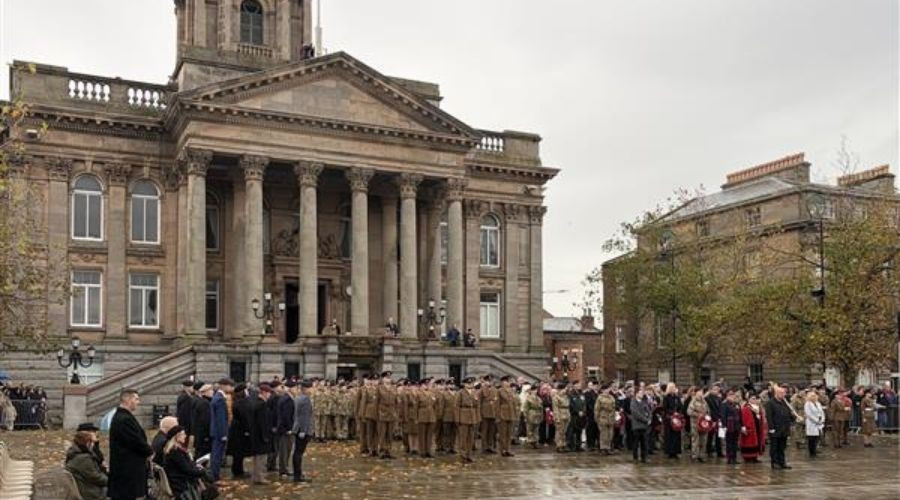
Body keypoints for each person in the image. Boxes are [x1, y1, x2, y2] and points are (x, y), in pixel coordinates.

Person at [108, 389, 153, 500]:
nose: (139, 402)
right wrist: (150, 451)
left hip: (128, 469)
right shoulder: (124, 419)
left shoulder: (124, 417)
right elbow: (135, 441)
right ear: (127, 399)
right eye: (136, 399)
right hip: (127, 471)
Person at [162, 425, 214, 500]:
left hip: (179, 480)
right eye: (183, 434)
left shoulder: (174, 450)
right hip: (181, 484)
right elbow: (187, 470)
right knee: (208, 482)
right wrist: (202, 471)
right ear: (177, 436)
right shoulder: (175, 452)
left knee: (206, 480)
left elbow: (186, 467)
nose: (185, 436)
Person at [65, 430, 108, 500]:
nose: (93, 445)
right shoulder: (83, 459)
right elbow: (96, 477)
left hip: (86, 487)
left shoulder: (75, 453)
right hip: (91, 492)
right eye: (92, 442)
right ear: (88, 443)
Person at [248, 383, 273, 485]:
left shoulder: (254, 402)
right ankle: (260, 477)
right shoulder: (262, 405)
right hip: (261, 435)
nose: (269, 395)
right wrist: (266, 436)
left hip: (255, 434)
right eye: (268, 393)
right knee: (261, 458)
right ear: (263, 392)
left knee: (256, 457)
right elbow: (263, 422)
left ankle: (256, 476)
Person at [210, 378, 234, 481]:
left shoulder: (217, 397)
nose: (231, 388)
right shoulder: (219, 399)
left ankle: (215, 474)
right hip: (219, 432)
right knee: (217, 454)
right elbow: (220, 418)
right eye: (230, 385)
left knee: (217, 453)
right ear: (223, 386)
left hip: (216, 431)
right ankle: (215, 475)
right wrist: (224, 434)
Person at [291, 380, 315, 483]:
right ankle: (298, 475)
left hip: (297, 428)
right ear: (306, 389)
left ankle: (297, 474)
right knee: (299, 453)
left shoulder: (298, 397)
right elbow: (304, 416)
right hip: (303, 430)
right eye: (311, 388)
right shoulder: (305, 399)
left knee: (297, 452)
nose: (312, 390)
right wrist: (304, 430)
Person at [765, 385, 794, 470]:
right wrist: (771, 428)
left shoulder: (784, 402)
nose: (783, 395)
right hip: (775, 429)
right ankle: (775, 463)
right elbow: (769, 416)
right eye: (781, 393)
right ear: (776, 393)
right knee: (774, 447)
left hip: (784, 428)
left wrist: (793, 417)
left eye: (784, 393)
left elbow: (788, 413)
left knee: (782, 447)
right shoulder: (770, 403)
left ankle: (782, 462)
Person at [228, 383, 252, 478]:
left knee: (238, 453)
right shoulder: (240, 403)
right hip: (239, 431)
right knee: (238, 452)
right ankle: (238, 471)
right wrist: (248, 429)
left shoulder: (238, 401)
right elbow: (244, 417)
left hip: (237, 429)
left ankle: (239, 470)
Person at [275, 381, 297, 479]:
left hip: (285, 428)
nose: (296, 390)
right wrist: (289, 428)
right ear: (290, 388)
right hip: (285, 429)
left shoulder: (286, 398)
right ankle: (283, 469)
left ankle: (285, 468)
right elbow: (286, 416)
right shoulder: (287, 399)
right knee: (284, 450)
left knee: (287, 450)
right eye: (295, 388)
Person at [376, 371, 399, 459]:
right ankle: (382, 451)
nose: (388, 379)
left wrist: (396, 413)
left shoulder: (394, 388)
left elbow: (396, 402)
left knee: (390, 434)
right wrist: (376, 414)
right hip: (382, 412)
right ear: (383, 379)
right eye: (386, 377)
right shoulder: (379, 388)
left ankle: (388, 451)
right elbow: (376, 402)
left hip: (392, 413)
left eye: (389, 377)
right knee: (382, 433)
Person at [456, 377, 479, 463]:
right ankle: (463, 455)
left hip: (472, 416)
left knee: (470, 438)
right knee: (463, 438)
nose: (470, 385)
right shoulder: (460, 393)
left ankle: (469, 455)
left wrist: (477, 417)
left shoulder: (474, 393)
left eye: (471, 383)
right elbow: (456, 406)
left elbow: (477, 405)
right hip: (463, 416)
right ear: (464, 384)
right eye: (468, 383)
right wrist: (457, 419)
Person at [739, 394, 767, 463]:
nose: (754, 400)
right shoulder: (746, 408)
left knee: (757, 441)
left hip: (757, 427)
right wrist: (744, 427)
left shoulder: (758, 408)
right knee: (749, 442)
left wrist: (759, 416)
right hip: (750, 428)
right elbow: (744, 418)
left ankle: (755, 457)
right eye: (752, 398)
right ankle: (748, 457)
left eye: (755, 399)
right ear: (749, 399)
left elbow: (760, 417)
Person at [686, 387, 710, 462]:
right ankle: (694, 455)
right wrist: (697, 414)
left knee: (703, 440)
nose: (700, 394)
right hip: (695, 424)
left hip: (704, 424)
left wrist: (707, 416)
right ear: (696, 393)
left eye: (701, 392)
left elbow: (708, 410)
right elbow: (689, 412)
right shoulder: (693, 401)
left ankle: (701, 455)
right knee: (695, 440)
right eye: (699, 392)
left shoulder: (704, 401)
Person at [497, 376, 518, 457]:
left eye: (508, 381)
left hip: (510, 413)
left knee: (509, 433)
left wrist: (515, 414)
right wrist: (498, 415)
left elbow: (514, 403)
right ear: (502, 382)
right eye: (506, 381)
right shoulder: (500, 391)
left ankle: (508, 449)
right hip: (503, 414)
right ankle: (502, 450)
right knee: (502, 433)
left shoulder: (511, 391)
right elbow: (497, 404)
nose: (508, 383)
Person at [629, 387, 651, 463]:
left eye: (642, 393)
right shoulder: (633, 402)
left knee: (644, 443)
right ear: (636, 394)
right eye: (640, 393)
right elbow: (636, 414)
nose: (642, 394)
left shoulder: (644, 402)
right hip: (637, 425)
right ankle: (635, 457)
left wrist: (649, 418)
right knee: (636, 442)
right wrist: (645, 419)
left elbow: (648, 410)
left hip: (644, 426)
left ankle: (644, 457)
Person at [192, 384, 214, 460]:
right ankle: (199, 469)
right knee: (203, 454)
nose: (212, 392)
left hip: (200, 433)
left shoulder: (202, 401)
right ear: (205, 392)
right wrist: (207, 435)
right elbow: (205, 420)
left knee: (200, 452)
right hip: (203, 434)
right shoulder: (205, 403)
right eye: (210, 390)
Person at [662, 383, 683, 459]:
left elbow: (680, 406)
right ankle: (670, 451)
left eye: (674, 387)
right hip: (669, 418)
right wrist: (672, 413)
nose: (674, 389)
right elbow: (665, 408)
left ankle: (676, 451)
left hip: (677, 418)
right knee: (670, 435)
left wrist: (678, 413)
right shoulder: (666, 397)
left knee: (677, 435)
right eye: (672, 388)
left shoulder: (677, 397)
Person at [479, 375, 499, 453]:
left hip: (493, 413)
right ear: (485, 381)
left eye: (490, 381)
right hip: (485, 412)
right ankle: (484, 447)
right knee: (484, 431)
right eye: (487, 381)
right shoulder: (482, 390)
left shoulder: (495, 390)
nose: (489, 382)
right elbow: (479, 402)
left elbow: (497, 402)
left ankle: (490, 446)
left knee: (492, 431)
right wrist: (479, 413)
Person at [721, 389, 742, 465]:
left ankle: (734, 458)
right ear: (727, 396)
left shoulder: (736, 404)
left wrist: (741, 425)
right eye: (730, 395)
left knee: (735, 442)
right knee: (729, 442)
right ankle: (730, 458)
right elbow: (723, 416)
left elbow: (740, 415)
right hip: (729, 425)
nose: (732, 396)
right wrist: (724, 426)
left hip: (736, 425)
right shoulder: (724, 404)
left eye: (733, 395)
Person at [704, 385, 724, 458]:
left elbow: (721, 409)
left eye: (717, 389)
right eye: (715, 389)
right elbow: (709, 410)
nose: (716, 391)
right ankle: (709, 451)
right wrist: (713, 419)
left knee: (720, 436)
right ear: (711, 390)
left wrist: (720, 418)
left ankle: (719, 452)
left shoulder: (719, 399)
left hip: (720, 419)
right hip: (712, 419)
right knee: (710, 436)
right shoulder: (707, 398)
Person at [804, 390, 824, 458]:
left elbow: (822, 412)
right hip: (811, 423)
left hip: (819, 422)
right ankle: (811, 452)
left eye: (815, 396)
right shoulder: (807, 404)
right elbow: (809, 414)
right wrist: (816, 420)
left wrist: (822, 419)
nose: (814, 397)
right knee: (811, 438)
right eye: (812, 396)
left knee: (817, 437)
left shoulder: (818, 403)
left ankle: (815, 450)